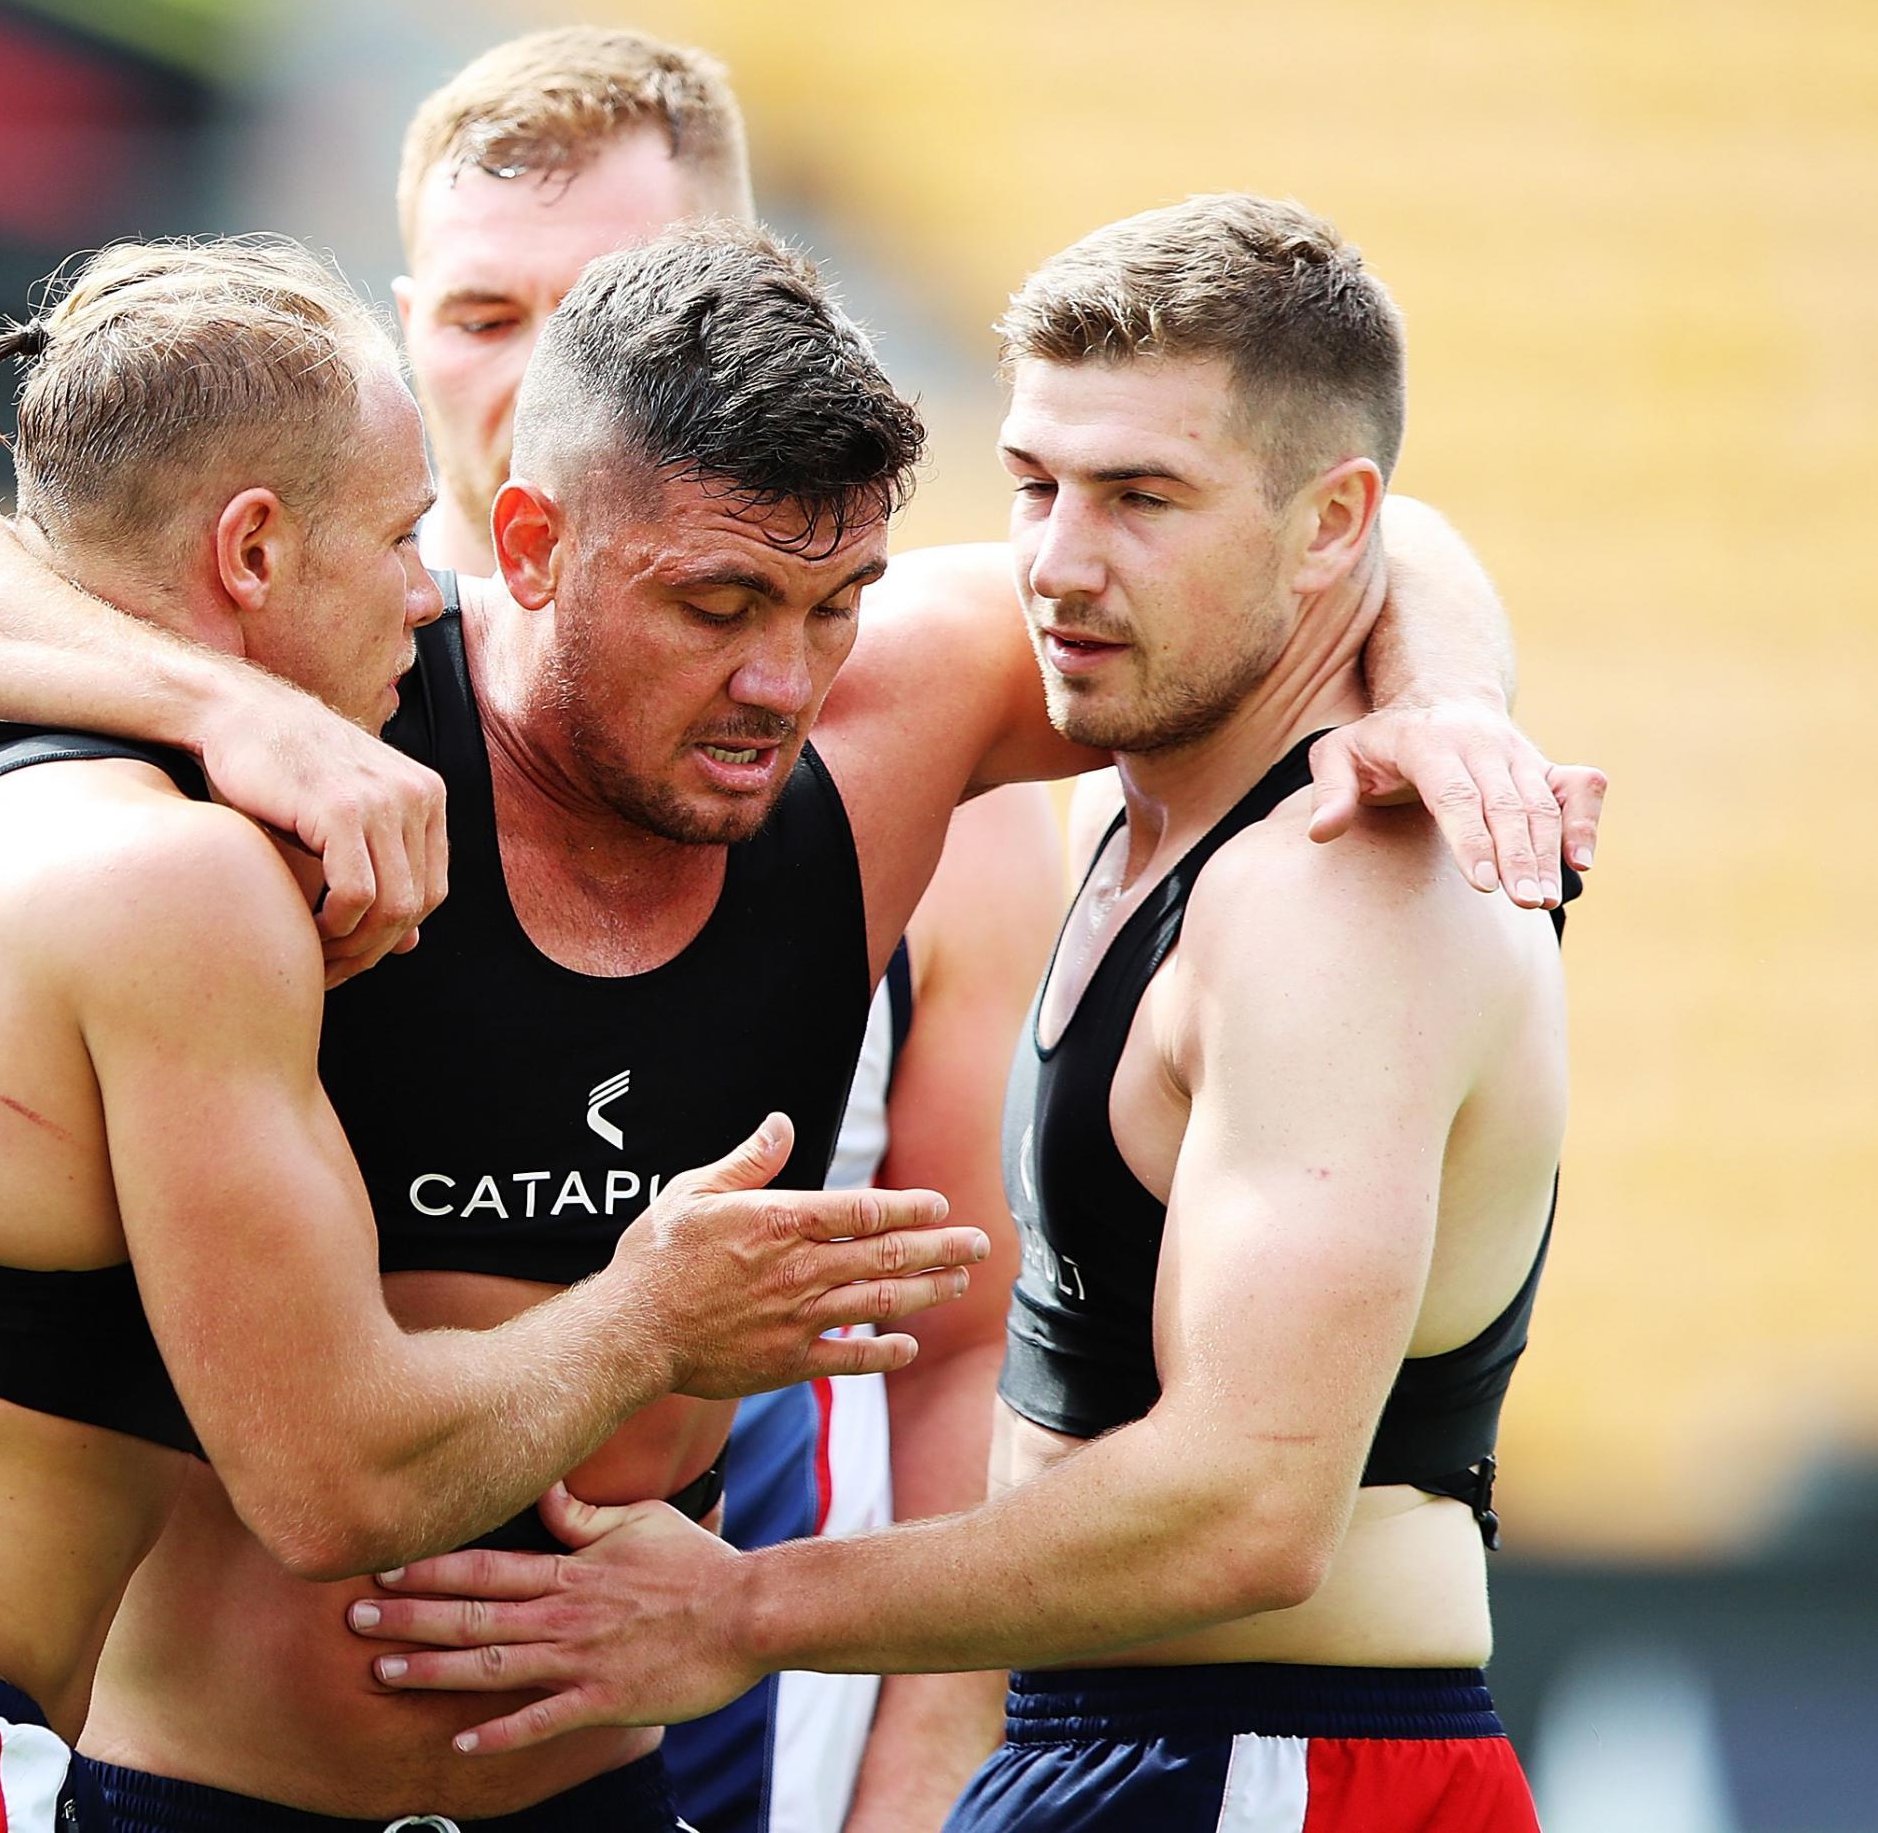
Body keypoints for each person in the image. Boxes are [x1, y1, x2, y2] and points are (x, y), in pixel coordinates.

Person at [0, 208, 1594, 1831]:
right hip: (207, 1787)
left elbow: (1335, 541)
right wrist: (228, 718)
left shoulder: (884, 710)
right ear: (526, 549)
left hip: (602, 1792)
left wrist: (1450, 697)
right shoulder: (327, 700)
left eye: (833, 598)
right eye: (714, 607)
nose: (781, 676)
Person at [0, 237, 986, 1832]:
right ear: (252, 550)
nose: (419, 594)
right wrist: (651, 1320)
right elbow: (336, 1488)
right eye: (398, 539)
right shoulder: (180, 876)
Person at [343, 196, 1582, 1833]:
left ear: (1324, 530)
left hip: (1287, 1753)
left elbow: (1250, 1515)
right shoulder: (1133, 800)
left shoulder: (1344, 880)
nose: (1062, 563)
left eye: (1142, 497)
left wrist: (741, 1612)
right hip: (1119, 1735)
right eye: (1036, 486)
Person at [392, 29, 1059, 1829]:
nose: (542, 371)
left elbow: (969, 1349)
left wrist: (912, 1799)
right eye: (478, 314)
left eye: (610, 302)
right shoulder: (269, 709)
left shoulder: (899, 754)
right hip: (272, 1727)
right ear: (401, 330)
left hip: (759, 1690)